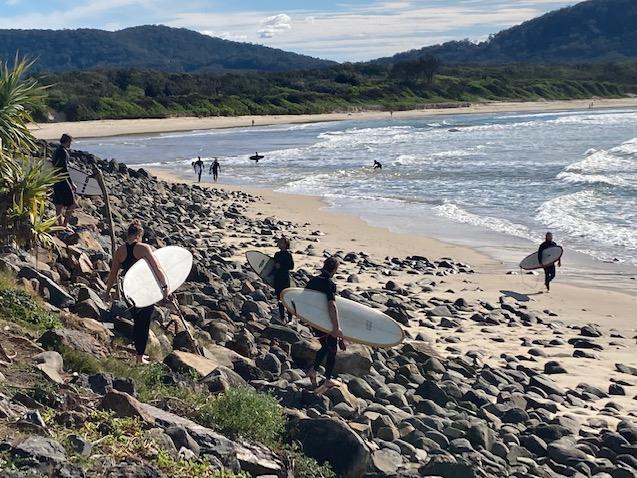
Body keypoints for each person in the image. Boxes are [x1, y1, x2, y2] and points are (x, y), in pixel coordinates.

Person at [103, 220, 169, 364]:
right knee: (143, 323)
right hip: (144, 290)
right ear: (140, 234)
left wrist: (107, 292)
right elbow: (157, 268)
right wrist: (165, 287)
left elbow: (113, 273)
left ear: (128, 234)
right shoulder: (144, 248)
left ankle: (139, 354)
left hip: (129, 291)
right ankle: (139, 357)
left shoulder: (119, 251)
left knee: (138, 321)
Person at [306, 257, 343, 388]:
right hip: (324, 320)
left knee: (326, 346)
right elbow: (331, 305)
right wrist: (336, 327)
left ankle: (314, 371)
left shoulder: (313, 280)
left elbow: (304, 299)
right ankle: (327, 378)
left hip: (313, 319)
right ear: (334, 270)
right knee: (332, 348)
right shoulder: (329, 284)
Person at [51, 134, 77, 230]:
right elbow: (64, 169)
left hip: (56, 179)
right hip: (63, 180)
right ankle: (65, 224)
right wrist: (71, 183)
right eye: (70, 142)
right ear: (67, 141)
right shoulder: (63, 152)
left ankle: (60, 223)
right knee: (73, 203)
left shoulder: (56, 151)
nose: (71, 144)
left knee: (59, 203)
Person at [272, 236, 294, 323]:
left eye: (281, 242)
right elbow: (273, 266)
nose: (279, 243)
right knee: (279, 299)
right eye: (279, 242)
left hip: (285, 278)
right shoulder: (276, 254)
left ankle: (290, 318)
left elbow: (291, 266)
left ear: (286, 245)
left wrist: (281, 266)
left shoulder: (288, 255)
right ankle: (282, 317)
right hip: (277, 278)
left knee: (287, 298)